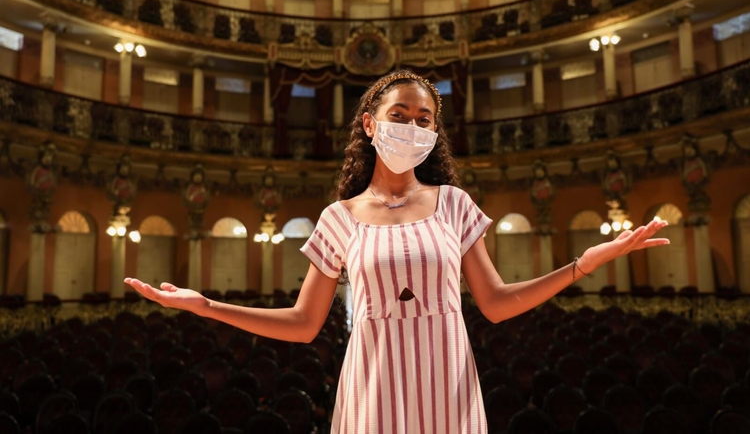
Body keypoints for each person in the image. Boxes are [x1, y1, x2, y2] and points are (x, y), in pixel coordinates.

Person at [125, 69, 670, 433]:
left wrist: (583, 265)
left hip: (449, 389)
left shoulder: (454, 203)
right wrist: (206, 306)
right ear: (369, 124)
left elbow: (497, 303)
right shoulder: (338, 217)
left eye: (424, 119)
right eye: (399, 116)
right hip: (373, 391)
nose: (412, 127)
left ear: (435, 131)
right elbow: (304, 324)